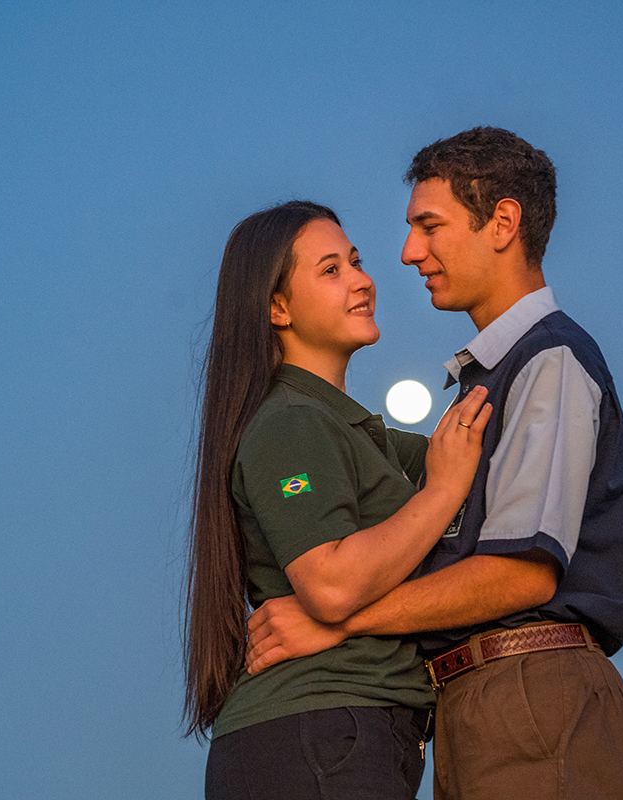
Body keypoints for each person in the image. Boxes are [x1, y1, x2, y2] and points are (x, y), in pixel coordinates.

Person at [246, 128, 623, 800]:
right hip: (478, 702)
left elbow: (520, 575)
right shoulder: (489, 381)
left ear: (503, 223)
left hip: (532, 691)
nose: (408, 254)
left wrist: (336, 620)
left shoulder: (550, 363)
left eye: (429, 226)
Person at [184, 200, 493, 800]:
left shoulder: (353, 434)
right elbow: (328, 584)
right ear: (277, 307)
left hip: (343, 735)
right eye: (330, 270)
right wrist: (444, 491)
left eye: (356, 261)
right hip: (316, 734)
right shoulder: (290, 426)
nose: (362, 280)